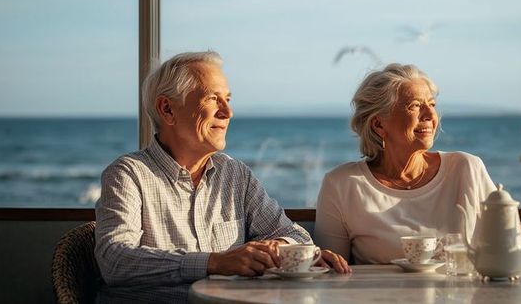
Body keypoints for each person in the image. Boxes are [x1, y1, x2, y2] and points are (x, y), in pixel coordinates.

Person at [95, 51, 350, 303]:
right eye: (212, 99)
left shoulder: (235, 175)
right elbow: (115, 260)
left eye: (227, 99)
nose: (227, 112)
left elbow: (296, 236)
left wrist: (277, 250)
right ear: (167, 109)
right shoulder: (128, 174)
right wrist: (214, 262)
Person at [314, 63, 497, 264]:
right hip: (376, 296)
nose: (429, 115)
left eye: (432, 104)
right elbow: (329, 273)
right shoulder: (341, 184)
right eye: (415, 106)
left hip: (461, 295)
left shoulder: (467, 169)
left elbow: (504, 249)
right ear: (378, 124)